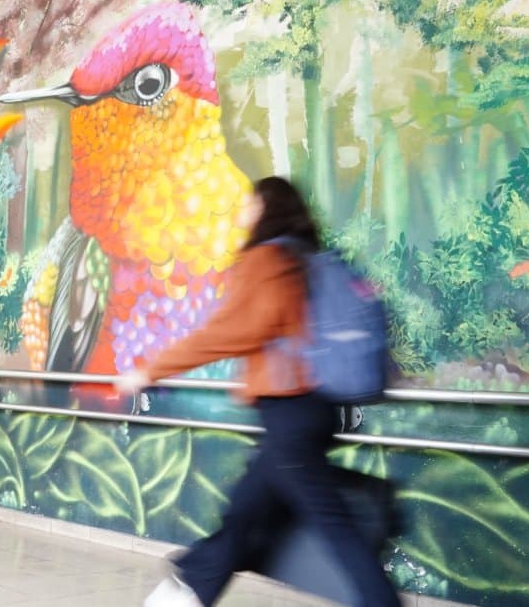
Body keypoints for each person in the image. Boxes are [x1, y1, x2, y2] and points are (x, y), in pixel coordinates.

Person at [119, 177, 400, 607]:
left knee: (333, 525)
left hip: (290, 413)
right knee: (243, 517)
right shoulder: (306, 258)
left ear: (267, 207)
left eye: (249, 203)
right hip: (312, 411)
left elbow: (230, 331)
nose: (242, 211)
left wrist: (151, 370)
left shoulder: (267, 260)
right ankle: (188, 591)